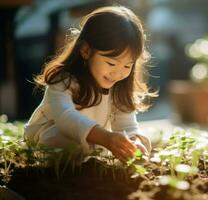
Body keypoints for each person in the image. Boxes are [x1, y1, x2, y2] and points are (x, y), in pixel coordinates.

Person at [24, 6, 157, 163]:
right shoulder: (63, 80)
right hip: (50, 140)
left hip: (94, 142)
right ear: (86, 50)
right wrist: (107, 138)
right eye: (111, 63)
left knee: (107, 146)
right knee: (61, 138)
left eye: (127, 66)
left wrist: (134, 143)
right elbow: (66, 118)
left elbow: (126, 124)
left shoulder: (118, 86)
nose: (119, 73)